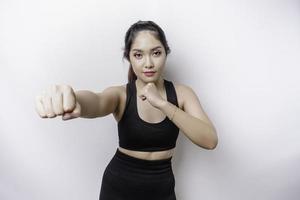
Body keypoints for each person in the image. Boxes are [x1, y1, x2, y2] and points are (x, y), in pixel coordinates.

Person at [35, 20, 218, 200]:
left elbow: (210, 140)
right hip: (118, 188)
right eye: (138, 55)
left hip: (161, 190)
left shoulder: (182, 93)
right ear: (129, 57)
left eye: (156, 53)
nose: (148, 63)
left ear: (166, 53)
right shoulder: (121, 94)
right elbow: (98, 101)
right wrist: (74, 99)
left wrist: (162, 103)